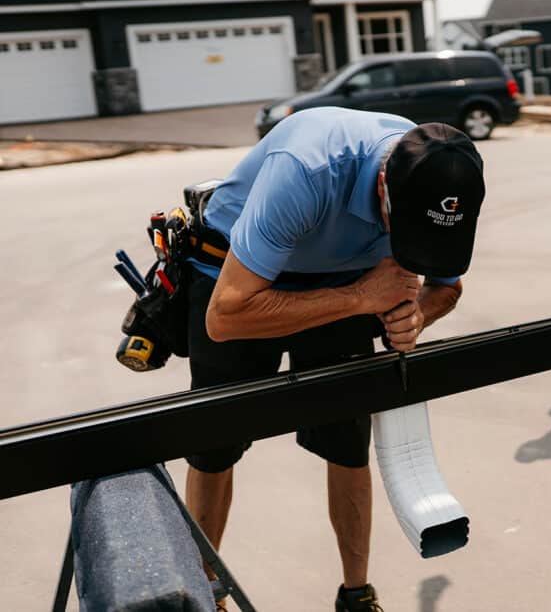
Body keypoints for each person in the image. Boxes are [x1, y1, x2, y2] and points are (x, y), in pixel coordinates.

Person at [183, 107, 485, 612]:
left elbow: (446, 286)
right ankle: (205, 591)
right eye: (405, 229)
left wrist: (417, 317)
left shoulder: (446, 177)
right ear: (385, 186)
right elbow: (225, 318)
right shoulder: (307, 168)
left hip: (348, 278)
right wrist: (360, 299)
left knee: (348, 441)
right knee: (214, 443)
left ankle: (356, 594)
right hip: (238, 274)